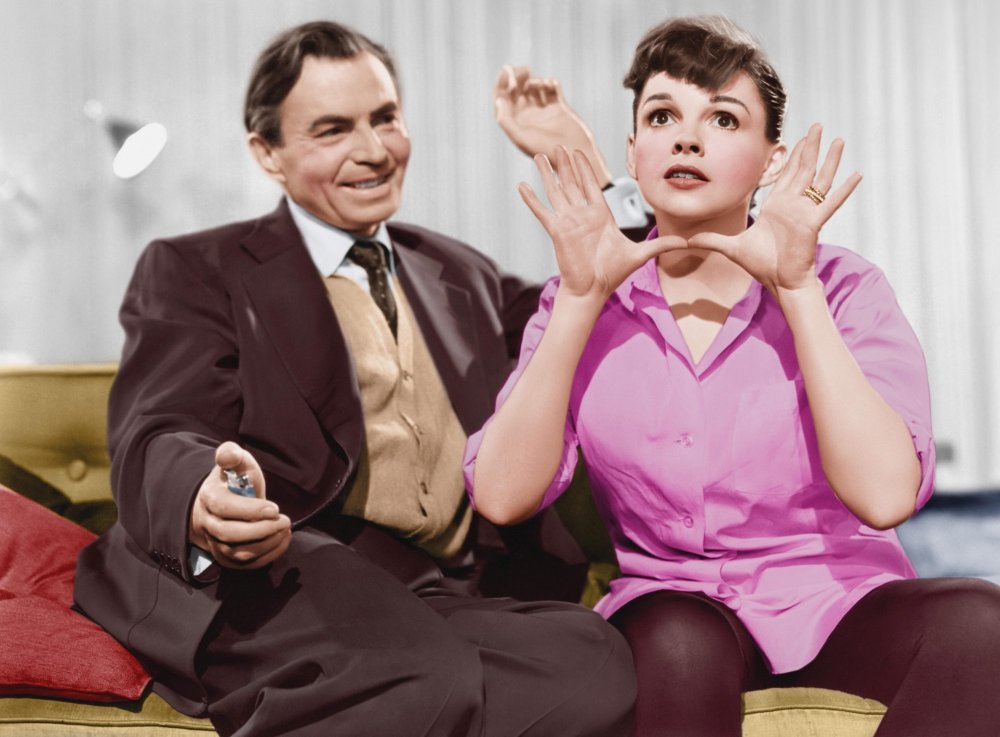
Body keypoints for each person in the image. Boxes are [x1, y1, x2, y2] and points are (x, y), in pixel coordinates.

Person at [73, 20, 640, 737]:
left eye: (385, 118)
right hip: (292, 569)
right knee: (423, 672)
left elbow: (608, 304)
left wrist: (578, 159)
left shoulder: (459, 271)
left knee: (596, 662)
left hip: (441, 588)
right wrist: (200, 499)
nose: (373, 150)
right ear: (268, 153)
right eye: (333, 130)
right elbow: (159, 426)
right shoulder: (197, 269)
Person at [465, 14, 1000, 737]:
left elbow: (884, 496)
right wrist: (582, 301)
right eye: (662, 116)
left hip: (836, 603)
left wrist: (797, 290)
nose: (687, 138)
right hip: (672, 609)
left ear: (772, 160)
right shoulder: (581, 300)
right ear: (634, 150)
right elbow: (502, 495)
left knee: (982, 622)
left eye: (722, 118)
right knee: (680, 643)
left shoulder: (844, 288)